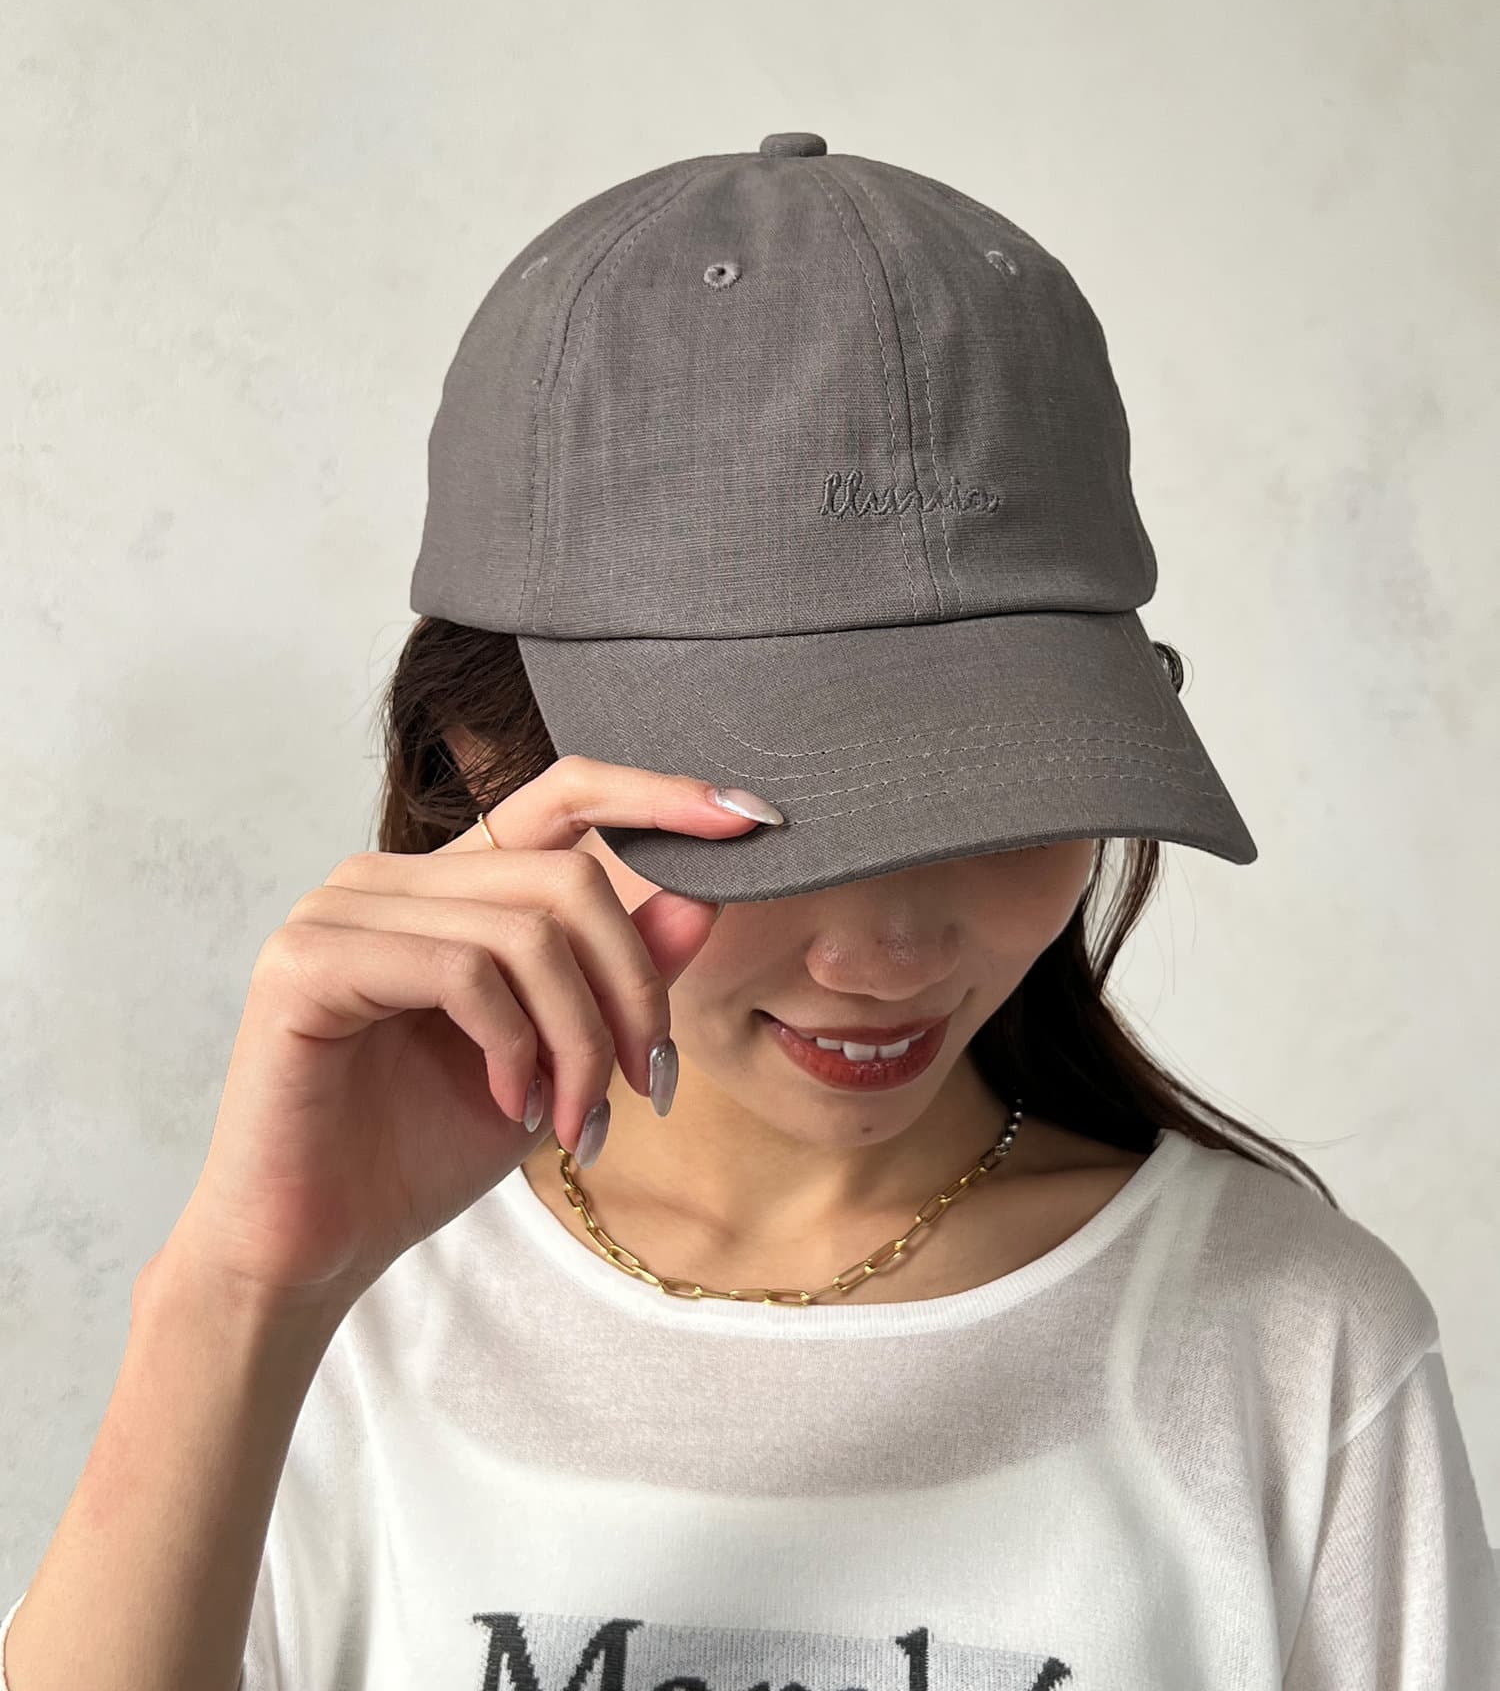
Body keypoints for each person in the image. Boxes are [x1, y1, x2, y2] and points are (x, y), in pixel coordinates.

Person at [4, 132, 1496, 1690]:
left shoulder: (1292, 1353)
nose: (886, 956)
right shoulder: (340, 1328)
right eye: (770, 820)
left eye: (999, 795)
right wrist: (246, 1294)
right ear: (486, 760)